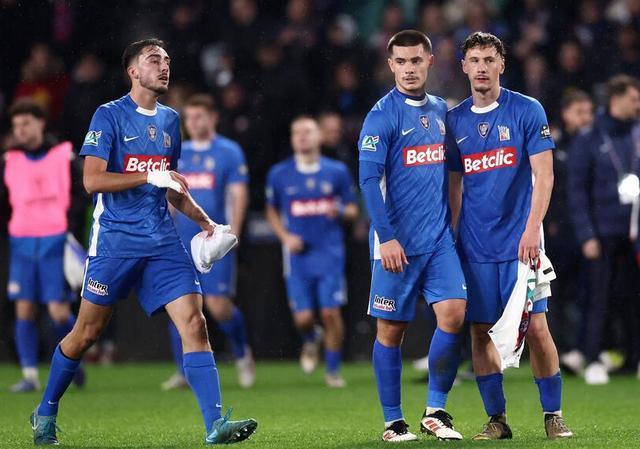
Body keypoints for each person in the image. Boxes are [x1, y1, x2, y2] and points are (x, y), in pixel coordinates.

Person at [28, 38, 257, 446]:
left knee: (195, 323)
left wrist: (206, 222)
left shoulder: (170, 121)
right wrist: (147, 175)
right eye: (154, 60)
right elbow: (92, 180)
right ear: (133, 71)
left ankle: (215, 424)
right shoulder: (108, 115)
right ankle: (45, 411)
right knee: (86, 333)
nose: (164, 66)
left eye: (167, 60)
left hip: (162, 243)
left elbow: (170, 186)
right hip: (114, 243)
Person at [446, 31, 573, 440]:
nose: (482, 67)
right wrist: (450, 235)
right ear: (464, 67)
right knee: (480, 330)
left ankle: (553, 414)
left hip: (522, 243)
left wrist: (533, 228)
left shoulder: (527, 109)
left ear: (502, 64)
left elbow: (544, 175)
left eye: (489, 59)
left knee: (536, 328)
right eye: (474, 60)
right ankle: (497, 420)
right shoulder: (455, 120)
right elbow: (454, 186)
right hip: (475, 246)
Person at [359, 30, 467, 443]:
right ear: (390, 65)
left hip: (438, 240)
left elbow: (453, 171)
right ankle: (393, 422)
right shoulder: (380, 116)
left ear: (429, 62)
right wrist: (386, 237)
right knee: (391, 332)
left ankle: (435, 410)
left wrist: (452, 225)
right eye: (401, 62)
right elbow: (368, 181)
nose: (409, 69)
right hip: (396, 245)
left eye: (416, 61)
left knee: (454, 315)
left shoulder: (441, 110)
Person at [162, 93, 256, 390]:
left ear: (213, 117)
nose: (193, 122)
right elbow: (169, 196)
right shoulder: (178, 152)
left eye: (199, 116)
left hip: (213, 240)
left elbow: (238, 193)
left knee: (218, 306)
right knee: (178, 303)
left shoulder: (228, 151)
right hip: (180, 241)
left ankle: (242, 353)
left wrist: (232, 233)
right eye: (188, 117)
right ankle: (183, 371)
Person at [265, 115, 358, 388]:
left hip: (330, 253)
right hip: (297, 256)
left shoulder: (336, 171)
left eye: (307, 131)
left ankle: (333, 369)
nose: (302, 137)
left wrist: (339, 210)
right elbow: (271, 210)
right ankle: (311, 337)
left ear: (319, 136)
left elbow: (353, 209)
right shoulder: (279, 174)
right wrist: (285, 237)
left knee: (330, 313)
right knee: (303, 318)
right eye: (297, 133)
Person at [1, 99, 85, 393]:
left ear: (40, 123)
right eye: (16, 125)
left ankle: (75, 357)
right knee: (24, 308)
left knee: (58, 312)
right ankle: (29, 375)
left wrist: (72, 228)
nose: (20, 130)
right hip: (22, 241)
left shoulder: (64, 156)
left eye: (26, 123)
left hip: (55, 240)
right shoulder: (9, 160)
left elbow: (82, 193)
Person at [567, 75, 640, 384]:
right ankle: (593, 357)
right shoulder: (590, 137)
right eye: (633, 99)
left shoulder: (637, 133)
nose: (638, 105)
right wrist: (586, 234)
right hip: (601, 231)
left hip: (633, 231)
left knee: (633, 297)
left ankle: (633, 359)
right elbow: (576, 190)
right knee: (598, 297)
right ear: (616, 98)